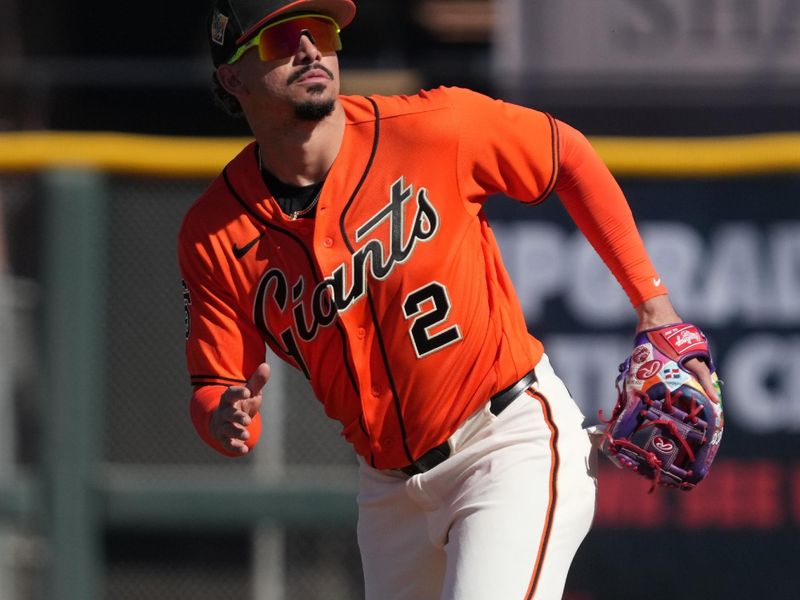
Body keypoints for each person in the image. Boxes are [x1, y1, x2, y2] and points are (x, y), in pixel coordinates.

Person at [179, 1, 718, 598]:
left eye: (323, 31)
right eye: (281, 38)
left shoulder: (430, 126)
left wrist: (653, 303)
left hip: (506, 443)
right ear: (232, 75)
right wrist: (224, 416)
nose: (311, 49)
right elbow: (215, 387)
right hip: (387, 493)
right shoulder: (213, 233)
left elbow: (566, 155)